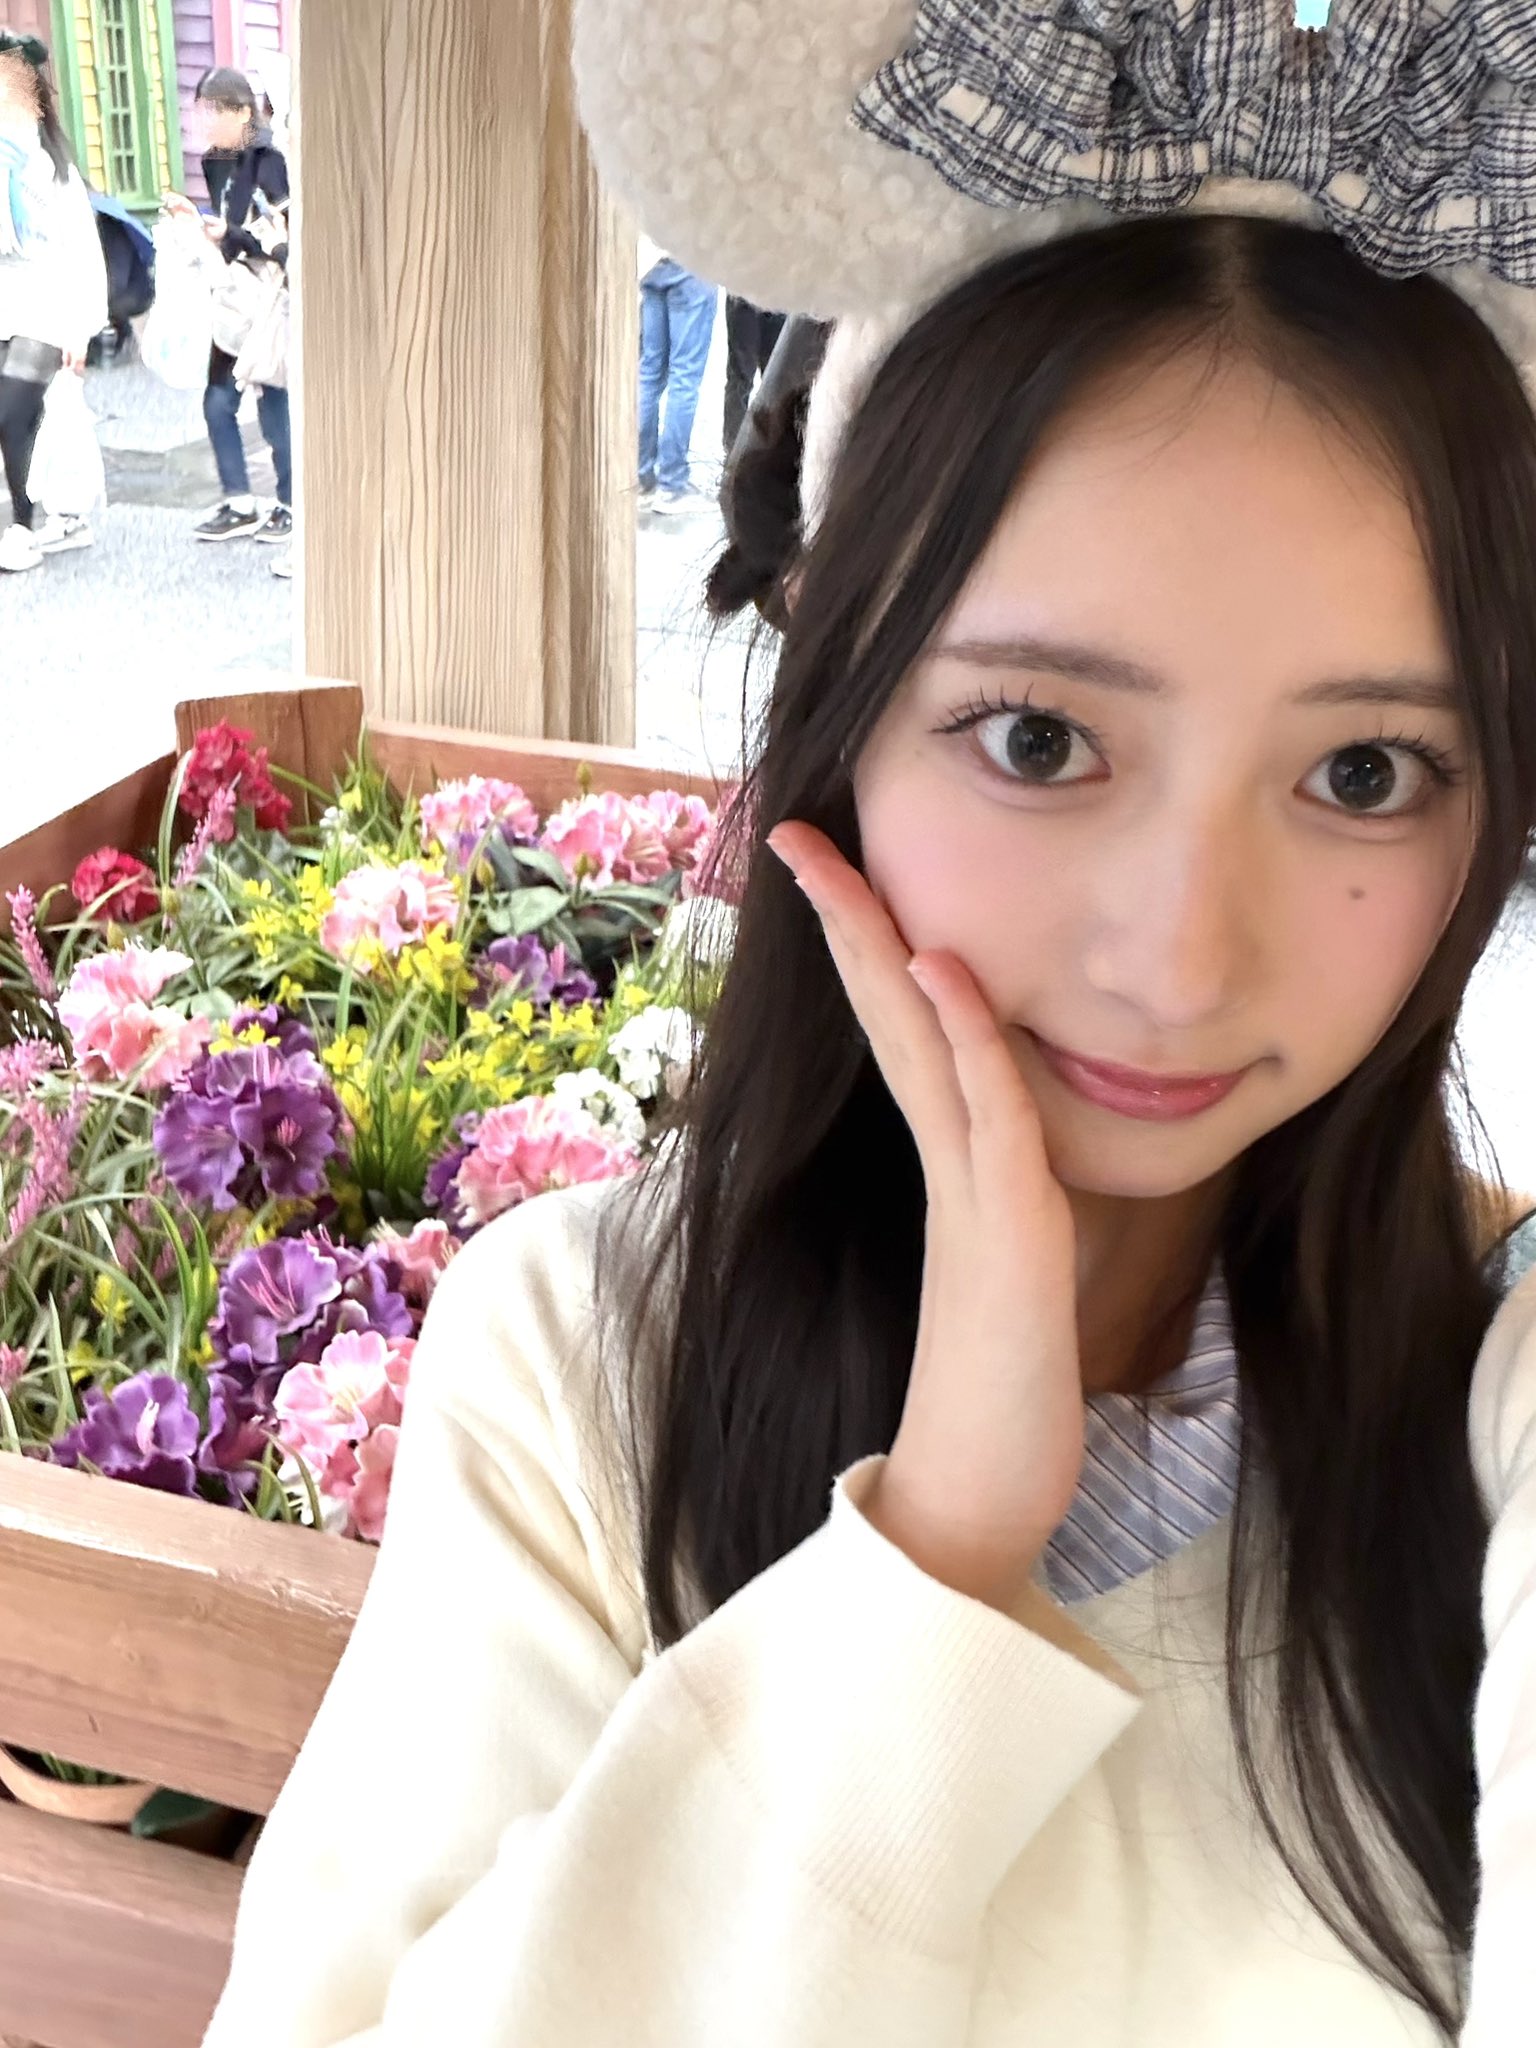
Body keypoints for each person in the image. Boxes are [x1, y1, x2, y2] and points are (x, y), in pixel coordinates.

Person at [202, 4, 1536, 2044]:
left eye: (1364, 773)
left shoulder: (1496, 1389)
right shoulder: (579, 1366)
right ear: (837, 712)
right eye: (1040, 738)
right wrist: (931, 1552)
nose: (1183, 960)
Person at [165, 67, 290, 546]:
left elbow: (283, 233)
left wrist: (231, 233)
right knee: (217, 400)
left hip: (270, 292)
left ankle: (290, 504)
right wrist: (197, 221)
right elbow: (227, 223)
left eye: (211, 112)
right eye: (199, 112)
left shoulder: (271, 158)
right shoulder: (215, 161)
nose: (202, 122)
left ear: (241, 111)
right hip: (234, 293)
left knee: (274, 400)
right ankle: (239, 502)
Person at [0, 29, 105, 574]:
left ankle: (21, 526)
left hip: (45, 306)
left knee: (13, 413)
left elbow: (82, 250)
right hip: (5, 303)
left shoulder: (52, 167)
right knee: (22, 419)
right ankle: (51, 512)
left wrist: (82, 328)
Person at [636, 231, 717, 511]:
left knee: (649, 373)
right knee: (685, 378)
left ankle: (642, 478)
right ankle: (671, 485)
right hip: (691, 262)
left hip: (650, 263)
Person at [721, 293, 785, 460]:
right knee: (744, 379)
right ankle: (734, 454)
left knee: (775, 382)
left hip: (777, 296)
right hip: (749, 296)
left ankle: (767, 453)